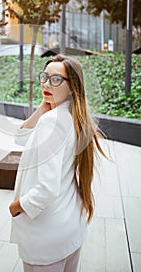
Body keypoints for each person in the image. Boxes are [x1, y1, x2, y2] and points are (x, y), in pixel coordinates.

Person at [9, 54, 107, 272]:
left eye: (56, 79)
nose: (46, 84)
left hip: (46, 234)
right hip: (70, 224)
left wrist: (16, 206)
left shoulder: (52, 123)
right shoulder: (73, 115)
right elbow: (22, 138)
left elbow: (46, 188)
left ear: (72, 87)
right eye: (45, 77)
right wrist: (42, 109)